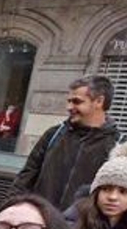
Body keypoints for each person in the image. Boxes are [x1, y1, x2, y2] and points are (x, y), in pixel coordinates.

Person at [12, 75, 120, 210]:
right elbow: (24, 180)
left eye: (76, 101)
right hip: (40, 224)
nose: (69, 107)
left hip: (82, 228)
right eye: (68, 101)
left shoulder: (118, 146)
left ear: (99, 101)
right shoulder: (54, 135)